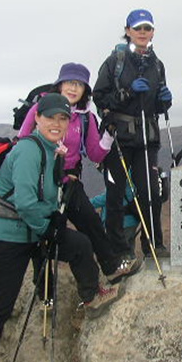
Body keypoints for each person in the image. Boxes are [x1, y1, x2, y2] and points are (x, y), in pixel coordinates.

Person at [0, 93, 123, 362]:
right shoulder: (29, 150)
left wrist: (52, 215)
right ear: (36, 118)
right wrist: (47, 226)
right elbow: (26, 202)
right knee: (0, 304)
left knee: (79, 245)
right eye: (50, 117)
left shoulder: (51, 149)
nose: (57, 123)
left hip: (32, 233)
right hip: (7, 239)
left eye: (63, 118)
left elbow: (45, 197)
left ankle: (91, 296)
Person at [18, 62, 141, 289]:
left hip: (69, 181)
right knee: (48, 232)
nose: (74, 88)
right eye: (70, 82)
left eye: (80, 85)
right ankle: (44, 286)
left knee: (91, 223)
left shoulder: (85, 117)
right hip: (41, 183)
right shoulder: (41, 108)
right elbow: (23, 140)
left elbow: (95, 154)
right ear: (60, 84)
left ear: (85, 90)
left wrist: (108, 136)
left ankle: (111, 268)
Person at [92, 9, 172, 260]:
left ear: (153, 32)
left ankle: (154, 245)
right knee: (115, 196)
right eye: (138, 28)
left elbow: (155, 107)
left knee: (151, 193)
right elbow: (99, 97)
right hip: (120, 138)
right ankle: (118, 252)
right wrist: (126, 92)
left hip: (147, 139)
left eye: (147, 28)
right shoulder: (114, 62)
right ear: (128, 31)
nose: (142, 33)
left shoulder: (157, 65)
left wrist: (164, 102)